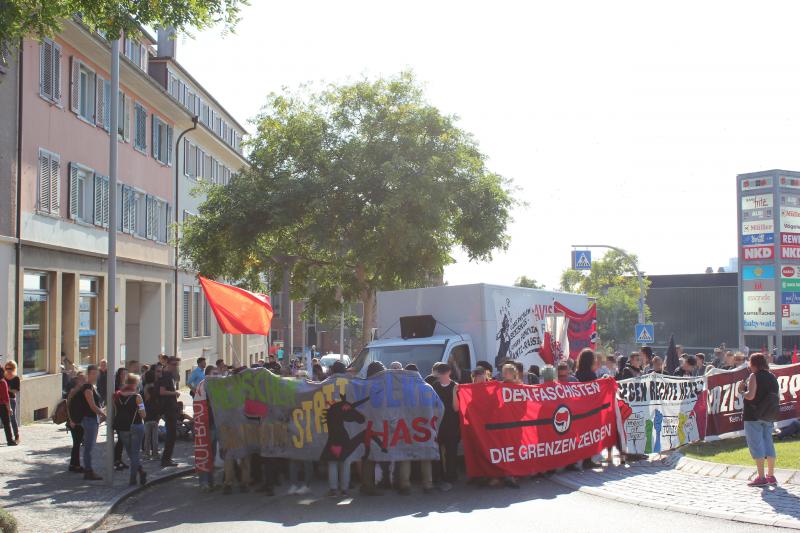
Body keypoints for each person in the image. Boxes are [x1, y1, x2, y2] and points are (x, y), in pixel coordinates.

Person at [738, 353, 780, 487]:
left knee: (757, 445)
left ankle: (761, 477)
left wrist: (741, 391)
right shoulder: (772, 377)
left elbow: (750, 396)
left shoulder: (754, 376)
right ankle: (771, 475)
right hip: (769, 414)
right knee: (768, 443)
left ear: (753, 364)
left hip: (753, 415)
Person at [360, 361, 387, 496]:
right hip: (375, 425)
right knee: (371, 456)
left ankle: (366, 484)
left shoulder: (362, 385)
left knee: (366, 456)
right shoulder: (382, 386)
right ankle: (369, 486)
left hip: (364, 425)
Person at [74, 365, 106, 480]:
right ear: (88, 374)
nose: (95, 375)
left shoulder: (93, 387)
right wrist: (103, 414)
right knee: (89, 447)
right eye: (92, 373)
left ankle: (89, 469)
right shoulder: (87, 388)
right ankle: (88, 471)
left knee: (90, 446)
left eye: (96, 373)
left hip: (92, 419)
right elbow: (92, 406)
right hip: (89, 420)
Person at [115, 374, 147, 486]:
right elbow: (143, 415)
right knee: (135, 454)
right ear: (135, 384)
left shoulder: (117, 396)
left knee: (131, 454)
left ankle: (141, 471)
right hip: (136, 426)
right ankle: (133, 479)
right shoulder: (137, 397)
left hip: (122, 428)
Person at [432, 362, 460, 491]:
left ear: (449, 372)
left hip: (452, 424)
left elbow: (456, 408)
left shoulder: (455, 386)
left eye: (443, 372)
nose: (441, 375)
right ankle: (438, 477)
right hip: (438, 425)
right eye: (439, 372)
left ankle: (451, 476)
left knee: (451, 453)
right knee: (436, 452)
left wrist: (454, 392)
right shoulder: (434, 386)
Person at [159, 357, 181, 467]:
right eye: (173, 364)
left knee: (172, 435)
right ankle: (166, 459)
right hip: (168, 408)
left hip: (171, 407)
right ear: (168, 364)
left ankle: (167, 458)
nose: (175, 366)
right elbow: (162, 391)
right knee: (171, 434)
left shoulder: (171, 375)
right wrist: (174, 393)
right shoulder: (165, 375)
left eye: (177, 364)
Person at [66, 373, 86, 471]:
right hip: (74, 421)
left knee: (77, 443)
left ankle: (73, 464)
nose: (83, 380)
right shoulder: (73, 391)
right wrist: (71, 420)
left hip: (80, 420)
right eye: (81, 379)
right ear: (77, 381)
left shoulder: (83, 390)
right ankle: (75, 465)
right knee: (76, 443)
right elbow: (68, 406)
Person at [143, 366, 161, 460]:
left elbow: (145, 400)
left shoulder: (145, 387)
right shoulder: (156, 387)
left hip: (147, 413)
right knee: (155, 436)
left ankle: (146, 453)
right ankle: (155, 453)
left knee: (147, 436)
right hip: (155, 412)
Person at [4, 361, 20, 444]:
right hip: (3, 399)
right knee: (5, 419)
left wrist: (8, 389)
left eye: (10, 368)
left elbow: (16, 390)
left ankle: (16, 435)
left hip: (11, 399)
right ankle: (9, 437)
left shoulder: (16, 378)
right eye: (6, 368)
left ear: (13, 368)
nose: (8, 370)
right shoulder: (3, 377)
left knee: (12, 418)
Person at [0, 374, 14, 446]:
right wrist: (9, 408)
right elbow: (6, 397)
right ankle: (10, 441)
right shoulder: (2, 382)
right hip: (2, 406)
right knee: (6, 424)